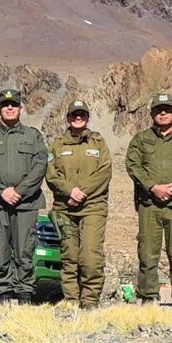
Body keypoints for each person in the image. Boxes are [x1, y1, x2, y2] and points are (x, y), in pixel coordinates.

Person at [124, 93, 172, 305]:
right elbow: (133, 166)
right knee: (147, 253)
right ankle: (148, 296)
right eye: (159, 110)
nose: (163, 113)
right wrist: (152, 187)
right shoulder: (141, 140)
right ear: (152, 113)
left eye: (167, 109)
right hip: (149, 205)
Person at [0, 89, 49, 306]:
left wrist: (20, 191)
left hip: (26, 203)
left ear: (20, 109)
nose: (9, 108)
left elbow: (40, 165)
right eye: (5, 104)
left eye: (13, 105)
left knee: (25, 248)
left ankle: (25, 294)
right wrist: (1, 191)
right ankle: (3, 293)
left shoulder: (33, 136)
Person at [46, 99, 112, 309]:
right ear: (68, 118)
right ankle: (72, 300)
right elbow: (51, 174)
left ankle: (90, 300)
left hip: (92, 206)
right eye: (74, 114)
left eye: (82, 115)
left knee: (90, 255)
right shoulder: (57, 144)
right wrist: (69, 191)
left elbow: (105, 172)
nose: (78, 118)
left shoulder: (98, 143)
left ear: (87, 118)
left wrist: (81, 192)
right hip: (65, 208)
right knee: (70, 255)